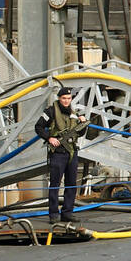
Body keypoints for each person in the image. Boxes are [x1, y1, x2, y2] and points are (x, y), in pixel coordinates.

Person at [34, 87, 87, 224]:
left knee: (71, 184)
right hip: (57, 153)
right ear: (59, 98)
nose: (66, 101)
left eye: (69, 99)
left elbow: (80, 133)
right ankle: (53, 214)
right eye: (64, 98)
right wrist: (49, 138)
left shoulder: (74, 113)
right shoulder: (50, 111)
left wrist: (83, 124)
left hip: (71, 152)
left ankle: (67, 212)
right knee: (55, 184)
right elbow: (38, 127)